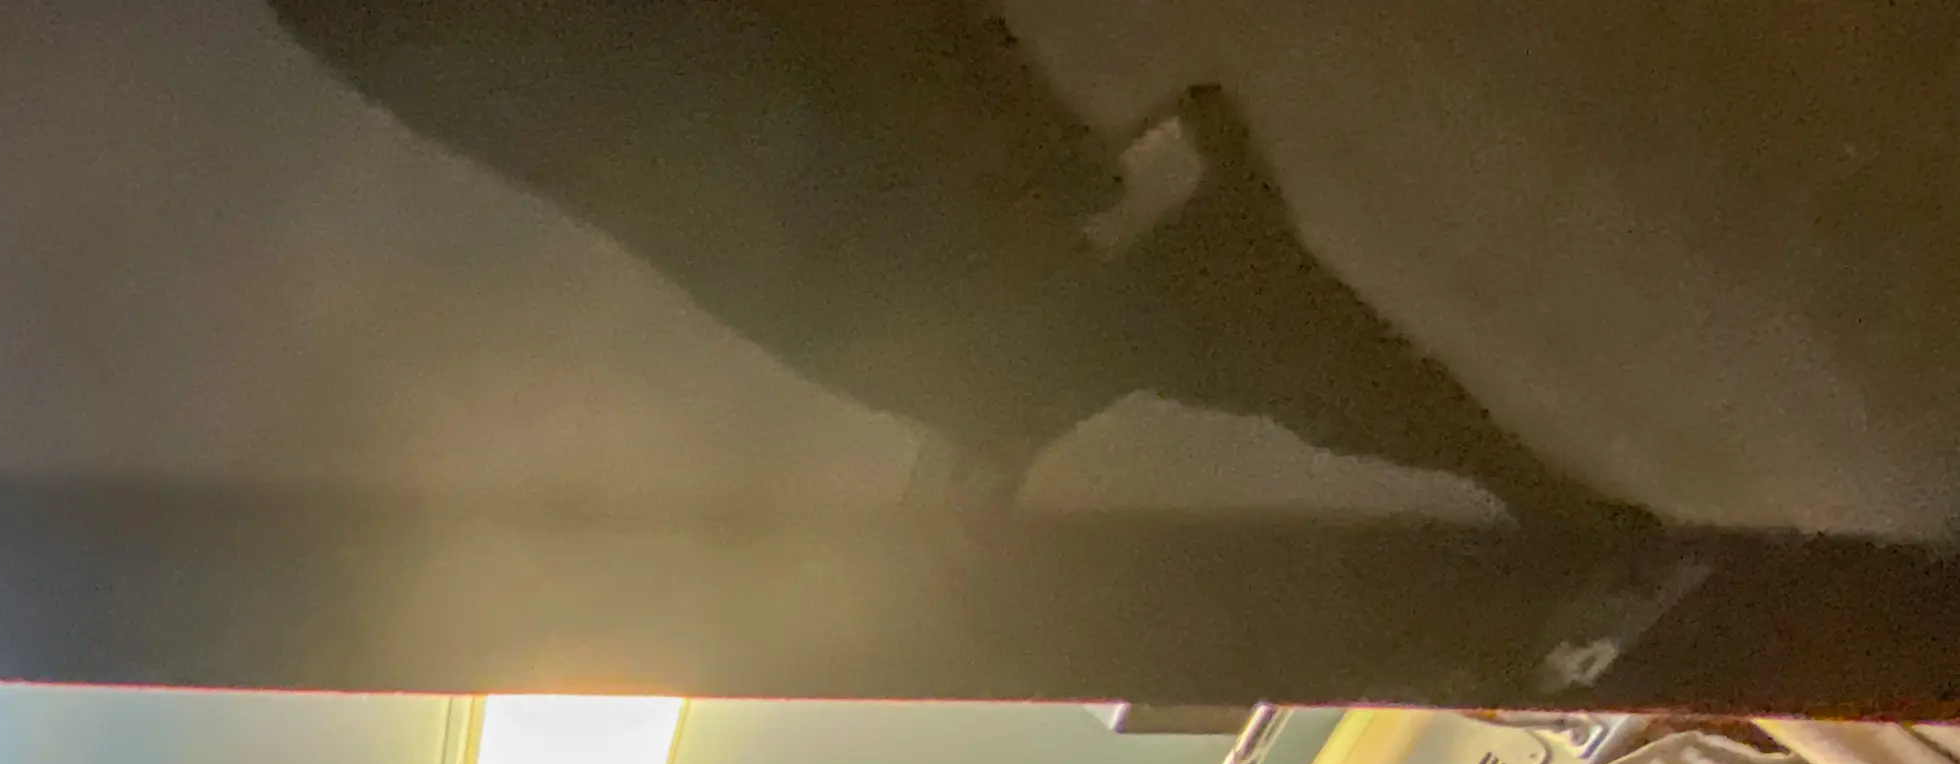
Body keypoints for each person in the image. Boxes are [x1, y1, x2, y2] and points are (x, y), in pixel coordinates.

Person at [269, 0, 1638, 528]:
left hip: (964, 234)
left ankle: (1546, 505)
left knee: (1185, 335)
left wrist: (1002, 145)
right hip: (924, 273)